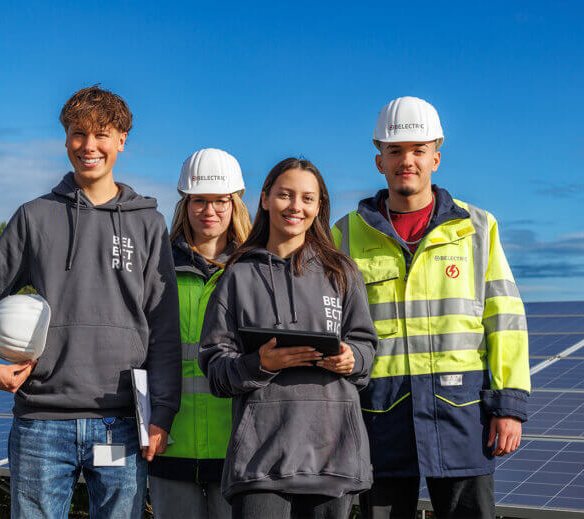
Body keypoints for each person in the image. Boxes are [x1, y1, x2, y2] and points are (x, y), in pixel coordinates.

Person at [0, 85, 181, 518]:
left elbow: (164, 327)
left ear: (122, 140)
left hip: (119, 425)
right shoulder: (33, 216)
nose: (89, 146)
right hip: (42, 424)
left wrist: (163, 412)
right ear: (65, 139)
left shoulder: (149, 223)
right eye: (78, 134)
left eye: (102, 135)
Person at [332, 96, 530, 519]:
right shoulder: (345, 234)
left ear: (435, 158)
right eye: (396, 151)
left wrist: (509, 406)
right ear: (379, 161)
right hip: (379, 415)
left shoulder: (477, 227)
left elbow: (506, 321)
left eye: (419, 150)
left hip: (460, 412)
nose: (408, 161)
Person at [199, 158, 378, 519]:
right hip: (260, 460)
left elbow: (365, 346)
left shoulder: (341, 272)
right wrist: (259, 365)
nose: (296, 206)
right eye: (285, 194)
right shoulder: (236, 276)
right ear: (264, 199)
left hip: (331, 455)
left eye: (308, 198)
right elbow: (216, 369)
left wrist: (352, 359)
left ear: (319, 207)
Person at [148, 148, 252, 519]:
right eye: (199, 201)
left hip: (238, 446)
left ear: (235, 203)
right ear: (185, 204)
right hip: (170, 442)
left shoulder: (254, 270)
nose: (209, 211)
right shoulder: (158, 269)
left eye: (220, 201)